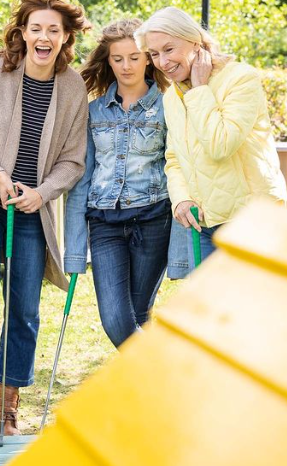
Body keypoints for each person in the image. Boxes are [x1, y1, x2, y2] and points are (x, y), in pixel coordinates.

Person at [0, 0, 90, 450]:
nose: (44, 37)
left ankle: (9, 412)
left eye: (54, 29)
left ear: (67, 37)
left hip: (33, 210)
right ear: (24, 33)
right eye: (36, 28)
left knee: (25, 311)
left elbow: (73, 159)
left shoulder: (72, 88)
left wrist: (43, 192)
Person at [64, 19, 186, 348]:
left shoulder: (168, 105)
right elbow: (81, 178)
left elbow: (179, 166)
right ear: (108, 61)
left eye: (134, 57)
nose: (126, 66)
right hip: (104, 220)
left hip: (153, 218)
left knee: (138, 314)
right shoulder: (93, 112)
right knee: (116, 319)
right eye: (117, 59)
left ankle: (146, 395)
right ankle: (164, 375)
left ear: (148, 58)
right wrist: (74, 249)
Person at [135, 7, 287, 266]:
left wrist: (199, 89)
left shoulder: (241, 79)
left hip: (251, 221)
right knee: (210, 307)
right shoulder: (172, 95)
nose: (162, 62)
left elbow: (220, 144)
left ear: (195, 41)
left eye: (169, 49)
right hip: (204, 223)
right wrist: (181, 199)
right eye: (154, 54)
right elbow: (174, 157)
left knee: (248, 306)